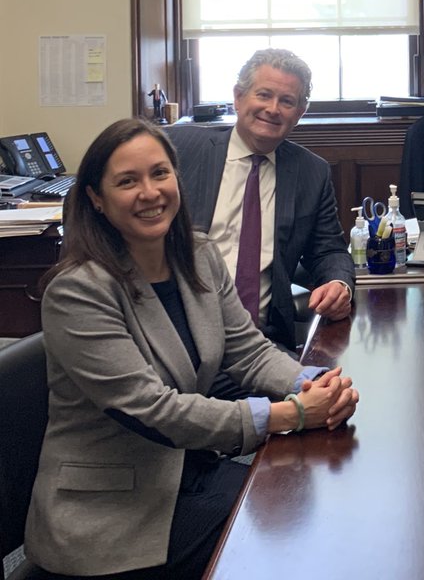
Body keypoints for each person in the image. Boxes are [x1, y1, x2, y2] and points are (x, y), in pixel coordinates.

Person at [25, 119, 361, 578]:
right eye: (128, 181)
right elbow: (152, 410)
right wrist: (294, 414)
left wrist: (314, 383)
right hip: (112, 513)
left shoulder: (197, 255)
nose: (150, 192)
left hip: (188, 473)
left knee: (313, 513)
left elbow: (246, 350)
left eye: (160, 174)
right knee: (288, 556)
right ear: (96, 199)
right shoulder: (79, 291)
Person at [165, 49, 354, 352]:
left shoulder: (311, 172)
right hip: (180, 338)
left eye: (287, 101)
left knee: (334, 393)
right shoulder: (181, 149)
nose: (273, 109)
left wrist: (338, 284)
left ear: (300, 112)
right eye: (263, 94)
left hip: (263, 343)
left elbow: (329, 249)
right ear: (238, 97)